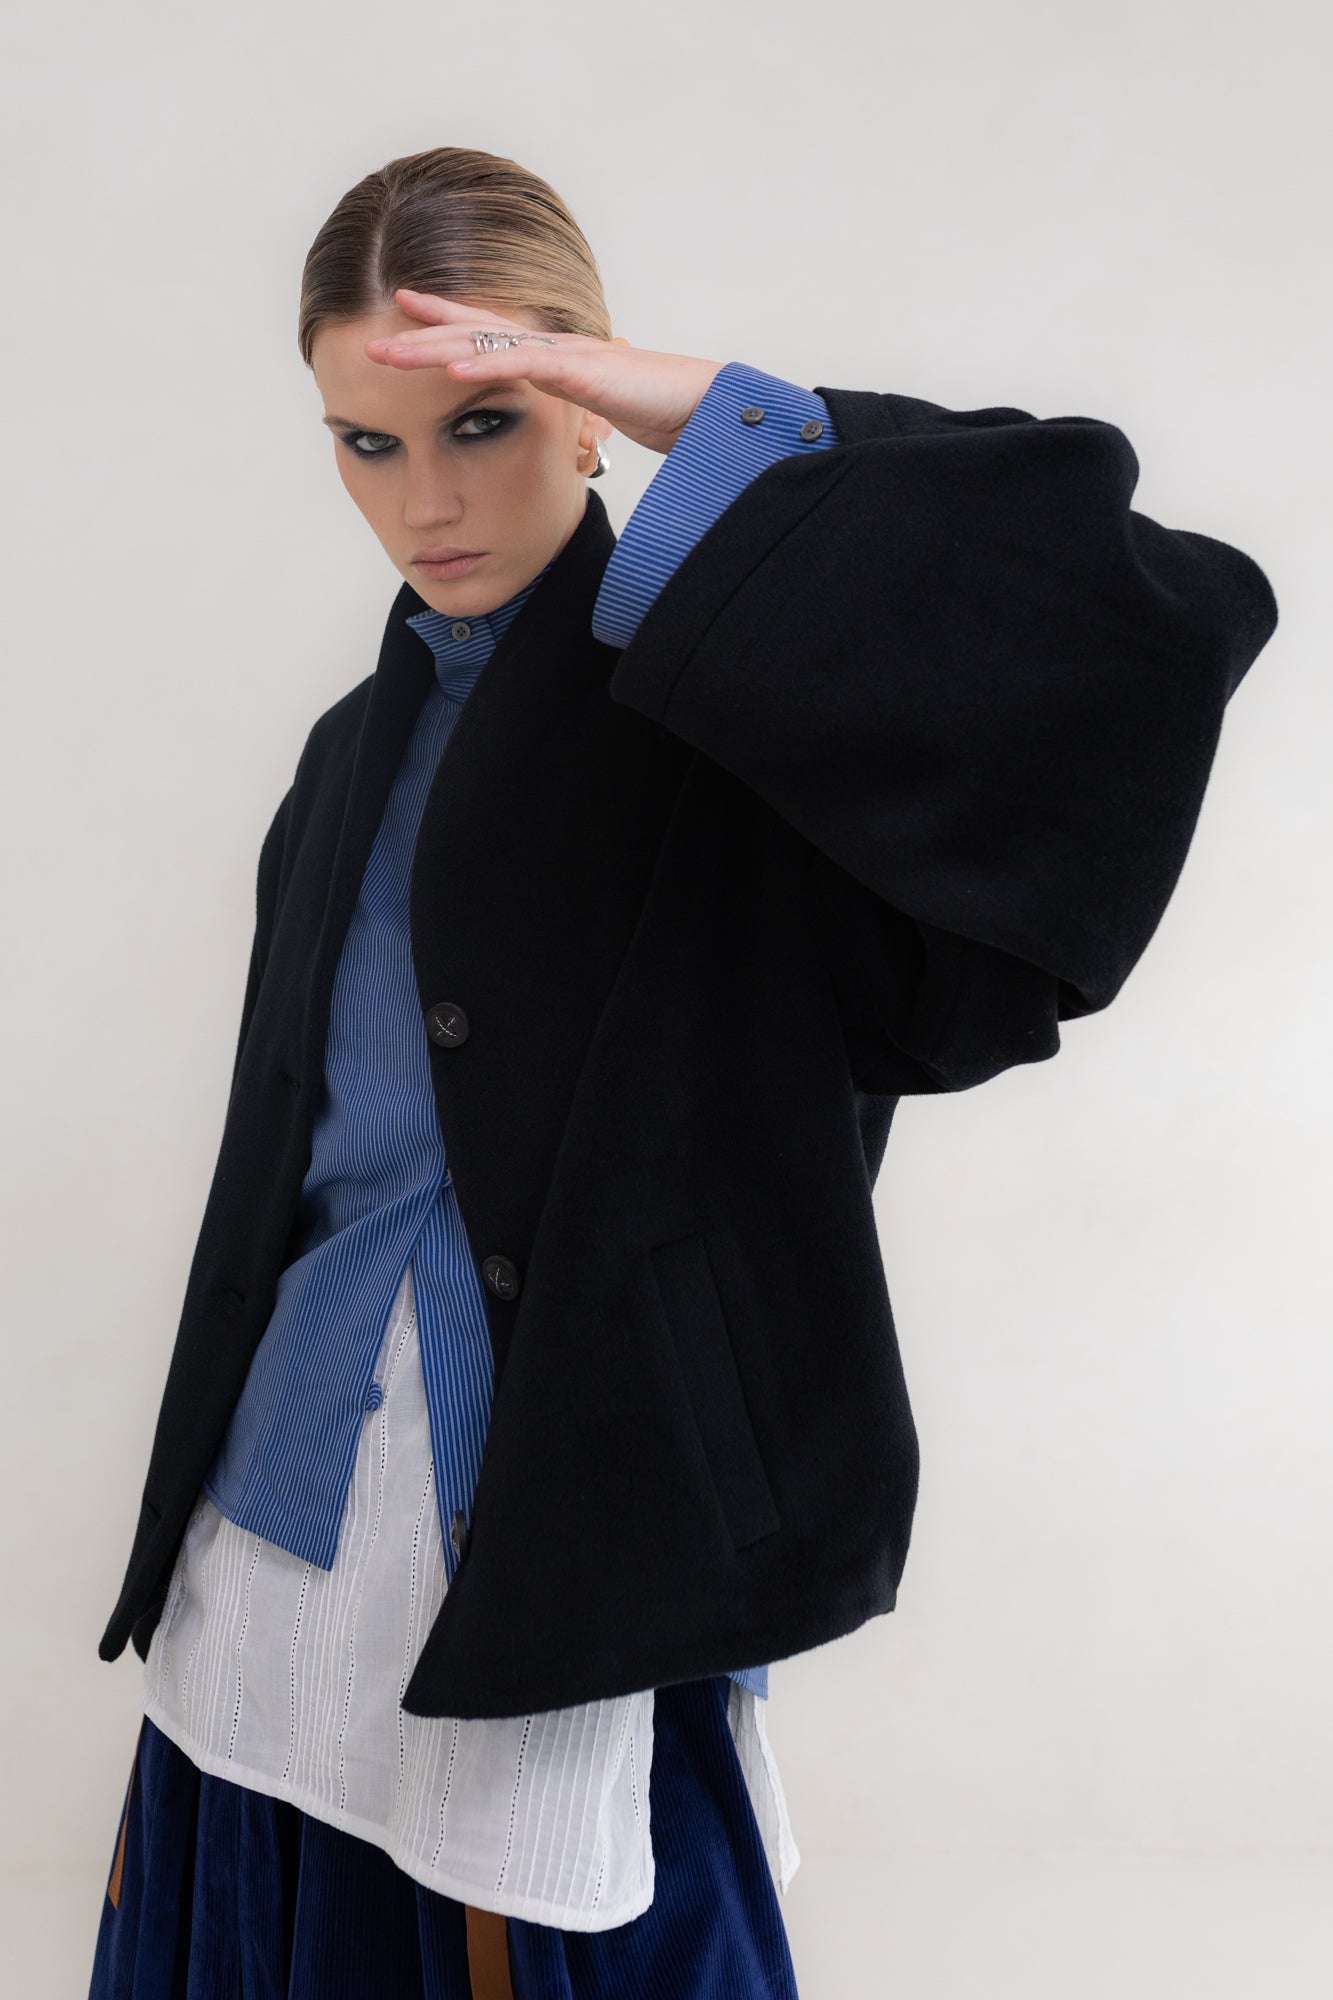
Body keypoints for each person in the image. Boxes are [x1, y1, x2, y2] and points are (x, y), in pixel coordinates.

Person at [87, 145, 1278, 1999]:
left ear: (585, 408)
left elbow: (1135, 627)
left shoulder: (745, 714)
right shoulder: (343, 755)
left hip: (576, 1517)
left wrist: (717, 418)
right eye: (367, 443)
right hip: (278, 1519)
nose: (424, 500)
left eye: (485, 420)